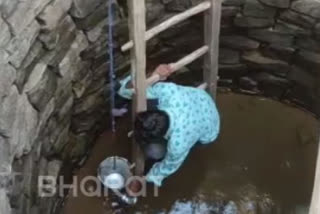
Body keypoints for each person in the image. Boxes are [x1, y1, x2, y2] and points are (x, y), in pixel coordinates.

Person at [118, 64, 220, 188]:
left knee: (154, 152)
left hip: (210, 127)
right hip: (201, 99)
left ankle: (192, 141)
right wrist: (153, 73)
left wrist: (146, 179)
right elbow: (128, 90)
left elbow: (169, 165)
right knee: (146, 99)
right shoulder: (167, 91)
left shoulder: (179, 142)